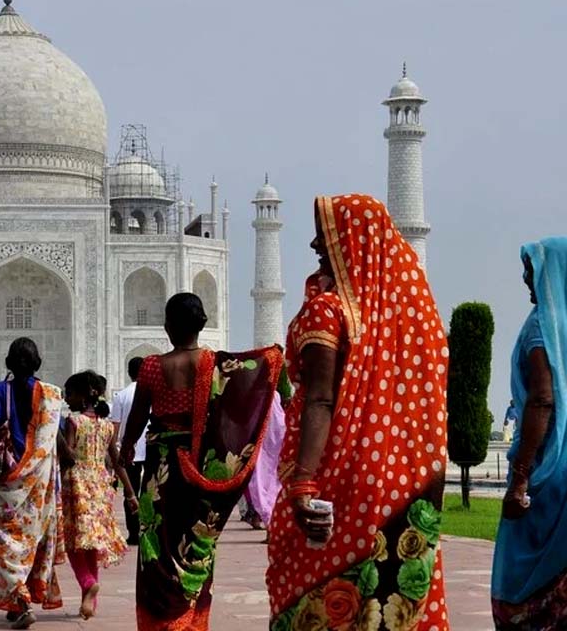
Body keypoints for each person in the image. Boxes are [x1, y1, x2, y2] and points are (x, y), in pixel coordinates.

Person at [265, 194, 450, 629]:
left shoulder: (328, 310)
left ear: (353, 242)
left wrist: (304, 481)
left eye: (326, 234)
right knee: (388, 597)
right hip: (399, 479)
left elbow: (321, 399)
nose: (314, 244)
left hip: (338, 473)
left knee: (319, 596)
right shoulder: (405, 317)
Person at [118, 293, 282, 630]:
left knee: (157, 544)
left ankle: (162, 622)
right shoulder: (214, 363)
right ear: (203, 325)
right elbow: (240, 400)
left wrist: (126, 448)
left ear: (166, 326)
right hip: (199, 466)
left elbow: (138, 417)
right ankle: (190, 621)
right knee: (195, 541)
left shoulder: (150, 366)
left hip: (160, 470)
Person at [492, 237, 567, 628]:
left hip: (548, 471)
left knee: (522, 585)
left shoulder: (543, 326)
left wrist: (520, 479)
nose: (525, 278)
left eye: (532, 269)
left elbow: (542, 400)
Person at [0, 337, 65, 629]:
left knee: (8, 543)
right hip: (39, 486)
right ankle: (17, 602)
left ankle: (23, 600)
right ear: (38, 362)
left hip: (7, 481)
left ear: (9, 363)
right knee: (29, 542)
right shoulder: (51, 395)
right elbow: (60, 443)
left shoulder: (0, 390)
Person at [61, 370, 132, 620]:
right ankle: (90, 603)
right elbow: (117, 461)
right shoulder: (105, 426)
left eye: (69, 394)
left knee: (73, 543)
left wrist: (56, 436)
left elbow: (68, 456)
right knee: (91, 544)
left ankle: (88, 582)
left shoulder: (73, 421)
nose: (66, 398)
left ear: (82, 396)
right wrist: (131, 495)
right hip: (101, 486)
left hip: (77, 485)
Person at [110, 356, 147, 545]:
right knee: (150, 492)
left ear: (129, 373)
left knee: (130, 492)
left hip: (128, 451)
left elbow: (114, 429)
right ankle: (148, 531)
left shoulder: (122, 396)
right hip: (150, 450)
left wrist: (115, 452)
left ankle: (134, 533)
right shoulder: (152, 394)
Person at [238, 391, 287, 533]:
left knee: (260, 485)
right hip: (268, 448)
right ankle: (269, 523)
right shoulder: (272, 395)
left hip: (263, 448)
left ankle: (268, 523)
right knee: (265, 485)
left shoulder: (265, 395)